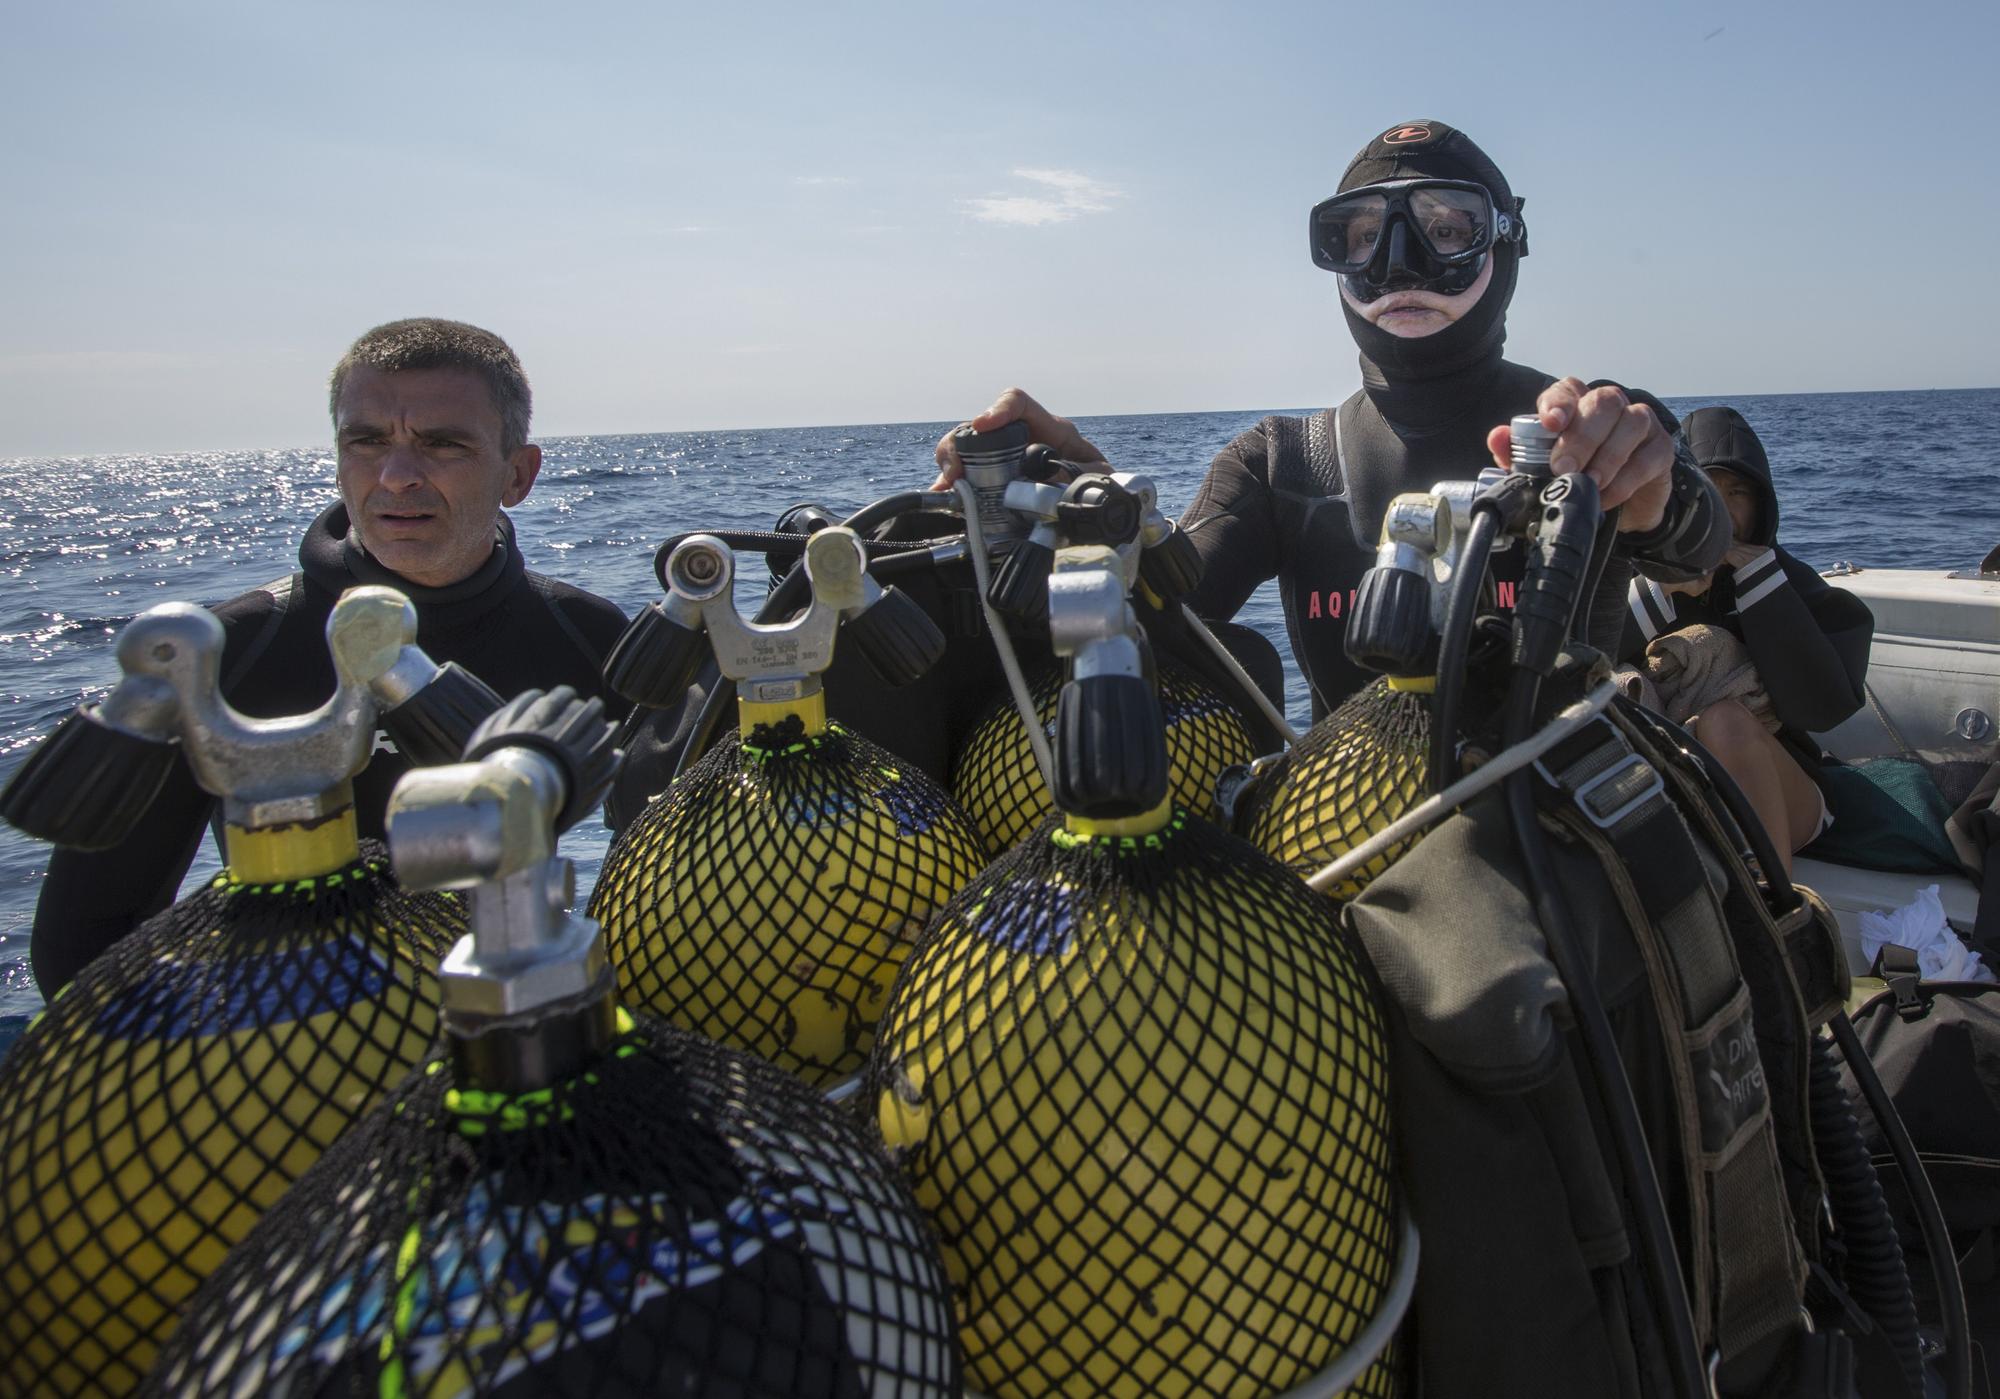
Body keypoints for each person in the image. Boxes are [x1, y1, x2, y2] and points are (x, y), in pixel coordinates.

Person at [934, 119, 1731, 720]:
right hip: (1351, 832)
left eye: (1447, 230)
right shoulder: (1278, 460)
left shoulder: (1593, 430)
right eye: (1360, 239)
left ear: (1506, 242)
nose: (1399, 262)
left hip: (1565, 818)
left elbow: (1701, 545)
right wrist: (1088, 494)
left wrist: (1651, 481)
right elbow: (1167, 610)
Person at [29, 318, 639, 995]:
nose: (396, 475)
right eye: (367, 440)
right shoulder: (233, 652)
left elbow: (664, 860)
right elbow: (85, 946)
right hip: (298, 1038)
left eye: (442, 443)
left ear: (517, 474)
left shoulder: (586, 637)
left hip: (517, 1019)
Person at [1620, 404, 1872, 874]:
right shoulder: (1630, 573)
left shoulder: (1788, 580)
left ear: (1762, 504)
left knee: (1726, 722)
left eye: (1738, 492)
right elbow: (1569, 657)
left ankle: (1774, 916)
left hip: (1782, 796)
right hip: (1661, 795)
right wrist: (1665, 588)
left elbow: (1823, 709)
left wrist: (1759, 581)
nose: (1724, 507)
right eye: (1709, 487)